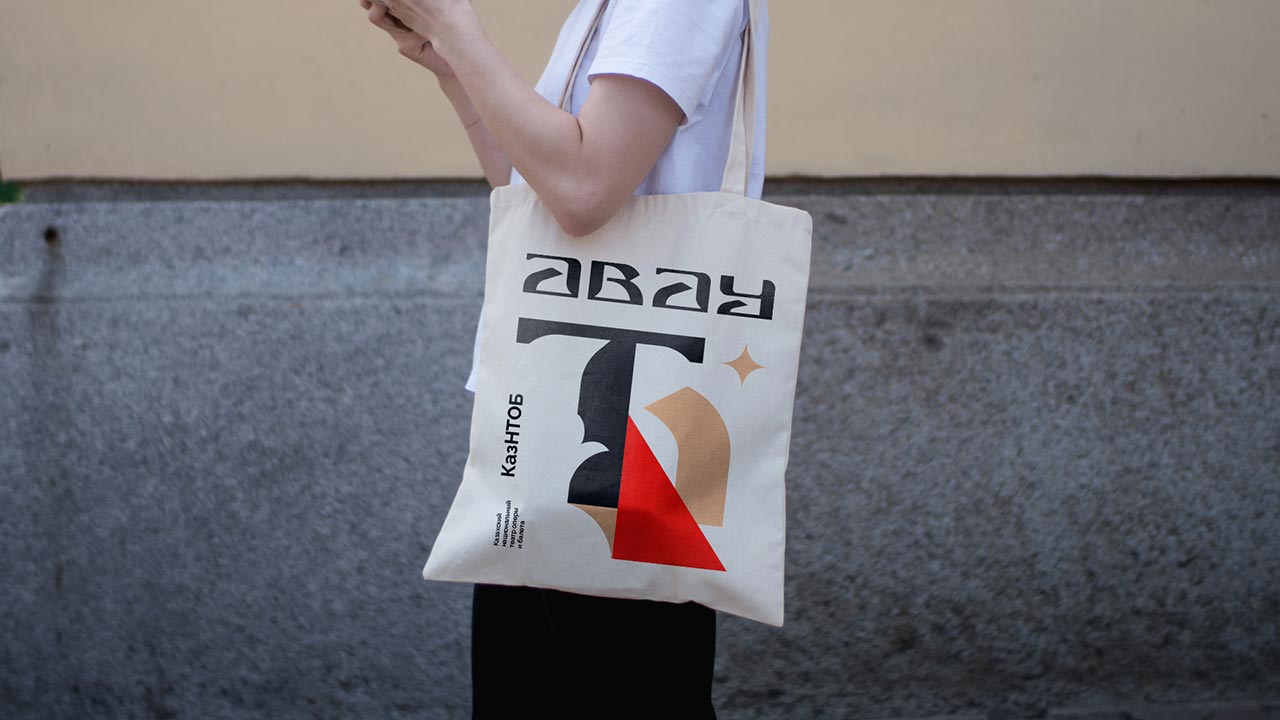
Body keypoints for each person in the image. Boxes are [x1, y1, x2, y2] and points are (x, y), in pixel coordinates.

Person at [360, 0, 769, 716]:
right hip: (572, 413)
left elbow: (584, 190)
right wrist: (450, 61)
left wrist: (457, 27)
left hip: (626, 430)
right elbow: (538, 194)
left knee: (612, 689)